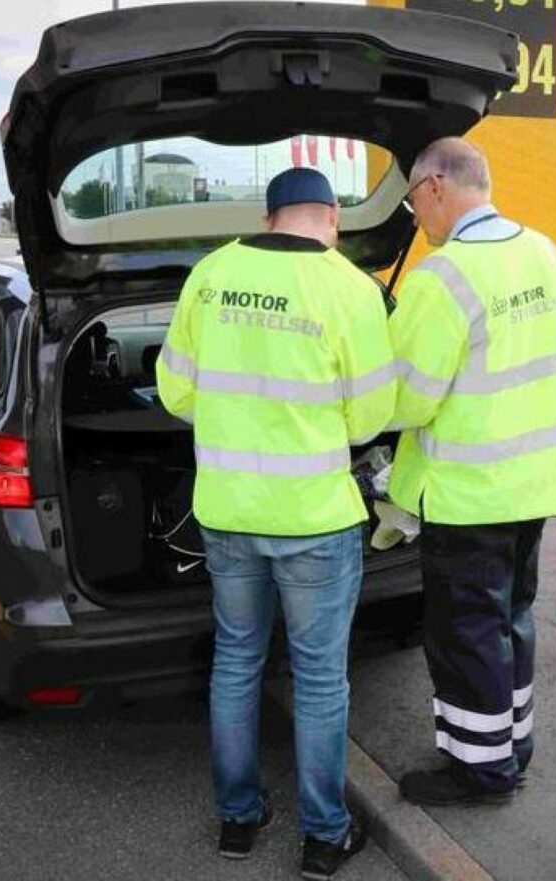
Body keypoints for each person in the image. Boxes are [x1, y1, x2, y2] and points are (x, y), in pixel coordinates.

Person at [157, 167, 394, 879]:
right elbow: (373, 416)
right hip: (315, 518)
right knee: (320, 678)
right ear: (330, 217)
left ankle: (238, 819)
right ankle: (324, 835)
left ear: (268, 218)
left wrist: (237, 421)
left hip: (227, 509)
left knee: (237, 660)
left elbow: (175, 391)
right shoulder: (350, 287)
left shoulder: (211, 274)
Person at [387, 137, 556, 805]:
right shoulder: (546, 254)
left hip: (469, 495)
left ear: (436, 186)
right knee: (511, 621)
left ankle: (481, 769)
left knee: (464, 635)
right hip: (536, 486)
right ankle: (512, 742)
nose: (416, 217)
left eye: (413, 202)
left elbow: (408, 396)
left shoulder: (443, 277)